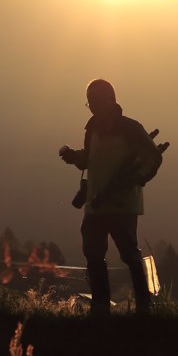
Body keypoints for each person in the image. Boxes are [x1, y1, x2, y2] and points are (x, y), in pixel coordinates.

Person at [58, 78, 163, 315]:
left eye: (95, 101)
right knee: (94, 256)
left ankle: (144, 306)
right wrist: (74, 157)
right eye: (90, 102)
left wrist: (136, 178)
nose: (93, 106)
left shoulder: (130, 128)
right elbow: (89, 158)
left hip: (122, 205)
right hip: (96, 205)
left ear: (111, 99)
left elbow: (153, 157)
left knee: (128, 254)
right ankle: (100, 308)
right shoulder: (92, 129)